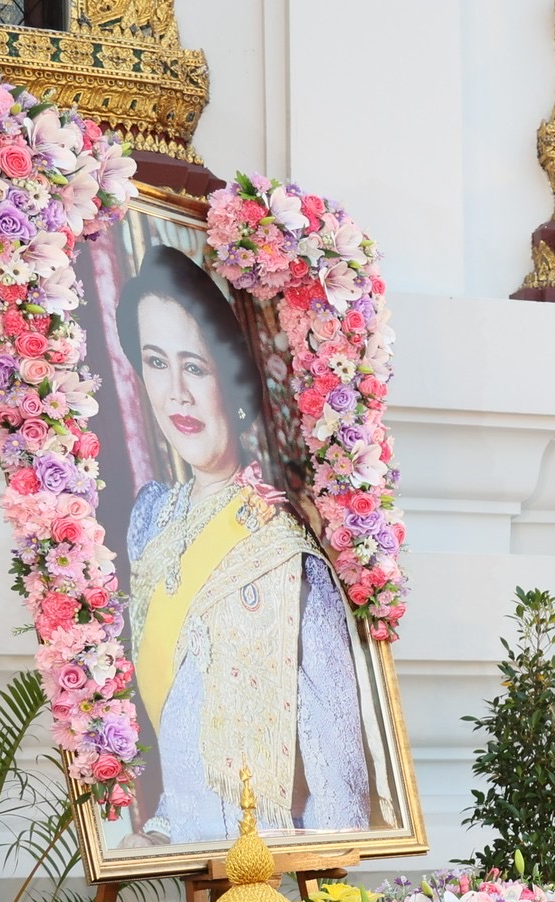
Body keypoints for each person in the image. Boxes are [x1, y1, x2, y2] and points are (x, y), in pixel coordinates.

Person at [116, 242, 371, 845]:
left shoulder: (287, 542)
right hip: (185, 864)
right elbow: (178, 728)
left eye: (195, 366)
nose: (175, 392)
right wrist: (157, 835)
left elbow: (335, 773)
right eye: (156, 362)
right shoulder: (150, 521)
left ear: (233, 378)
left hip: (276, 876)